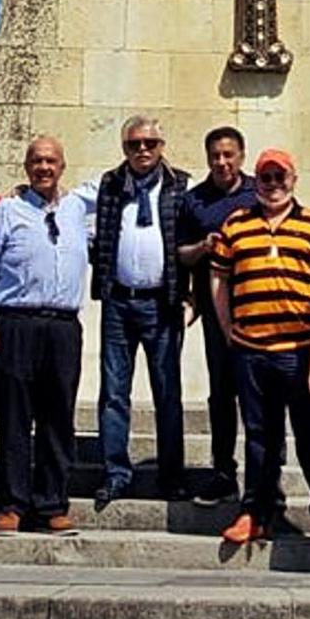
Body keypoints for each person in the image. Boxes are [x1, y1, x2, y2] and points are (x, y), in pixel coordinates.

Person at [210, 148, 310, 552]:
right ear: (257, 181)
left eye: (279, 176)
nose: (272, 184)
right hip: (250, 350)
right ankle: (256, 514)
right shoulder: (236, 224)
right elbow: (219, 279)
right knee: (259, 437)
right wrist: (228, 328)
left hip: (298, 351)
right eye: (265, 177)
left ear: (293, 179)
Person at [0, 135, 95, 534]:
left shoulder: (78, 208)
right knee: (15, 418)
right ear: (27, 167)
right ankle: (11, 504)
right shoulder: (7, 210)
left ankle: (53, 503)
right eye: (37, 161)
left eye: (51, 161)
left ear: (63, 166)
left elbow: (126, 182)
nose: (44, 167)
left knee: (59, 418)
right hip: (15, 323)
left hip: (62, 326)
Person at [90, 113, 190, 506]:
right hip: (118, 300)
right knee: (114, 392)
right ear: (124, 149)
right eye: (134, 144)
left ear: (161, 147)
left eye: (149, 143)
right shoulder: (110, 184)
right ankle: (116, 473)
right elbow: (61, 200)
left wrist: (192, 294)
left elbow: (197, 231)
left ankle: (171, 476)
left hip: (162, 303)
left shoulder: (181, 186)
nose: (143, 150)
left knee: (168, 392)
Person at [176, 124, 256, 505]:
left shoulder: (261, 192)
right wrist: (203, 247)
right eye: (215, 156)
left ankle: (263, 476)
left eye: (229, 155)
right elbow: (180, 253)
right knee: (222, 394)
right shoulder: (194, 201)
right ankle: (223, 470)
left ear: (241, 156)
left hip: (259, 307)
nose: (222, 162)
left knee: (260, 394)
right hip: (216, 309)